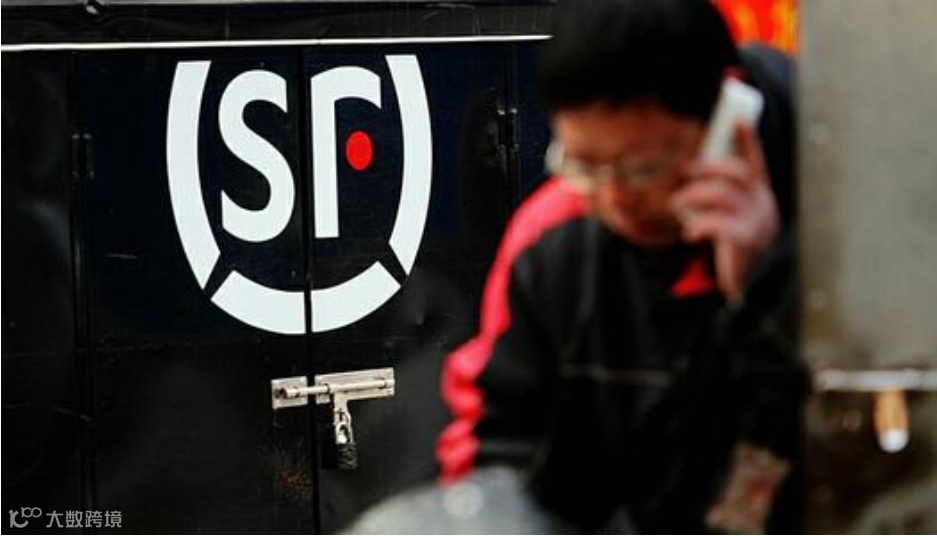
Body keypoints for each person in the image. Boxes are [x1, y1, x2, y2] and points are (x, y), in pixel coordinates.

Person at [436, 0, 807, 532]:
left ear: (729, 118)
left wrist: (764, 288)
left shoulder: (832, 227)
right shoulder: (556, 235)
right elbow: (493, 448)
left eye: (644, 169)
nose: (615, 199)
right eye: (585, 165)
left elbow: (856, 453)